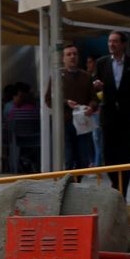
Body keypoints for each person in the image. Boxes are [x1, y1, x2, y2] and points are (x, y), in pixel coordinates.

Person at [94, 32, 130, 194]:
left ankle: (121, 190)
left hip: (127, 114)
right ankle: (115, 184)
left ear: (123, 44)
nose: (111, 44)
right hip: (108, 114)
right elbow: (95, 87)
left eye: (115, 41)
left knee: (124, 153)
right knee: (108, 153)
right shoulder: (102, 63)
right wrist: (97, 87)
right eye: (110, 41)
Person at [45, 43, 97, 171]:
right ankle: (68, 185)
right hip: (65, 122)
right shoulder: (57, 77)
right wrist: (65, 102)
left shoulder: (86, 77)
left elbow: (94, 98)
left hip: (82, 123)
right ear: (63, 58)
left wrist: (91, 107)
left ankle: (77, 183)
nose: (72, 57)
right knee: (68, 157)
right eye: (69, 54)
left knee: (82, 159)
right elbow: (48, 99)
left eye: (74, 54)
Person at [5, 85, 42, 173]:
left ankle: (21, 163)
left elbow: (9, 125)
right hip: (36, 139)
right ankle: (32, 162)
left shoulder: (14, 111)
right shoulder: (37, 110)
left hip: (19, 139)